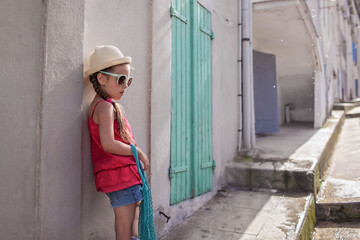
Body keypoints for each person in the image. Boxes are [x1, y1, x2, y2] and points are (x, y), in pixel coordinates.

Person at [85, 45, 149, 240]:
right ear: (101, 78)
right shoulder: (104, 107)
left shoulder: (103, 105)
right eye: (121, 80)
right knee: (125, 229)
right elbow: (108, 143)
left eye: (127, 80)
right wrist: (137, 151)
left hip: (122, 176)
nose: (125, 86)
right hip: (120, 176)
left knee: (132, 224)